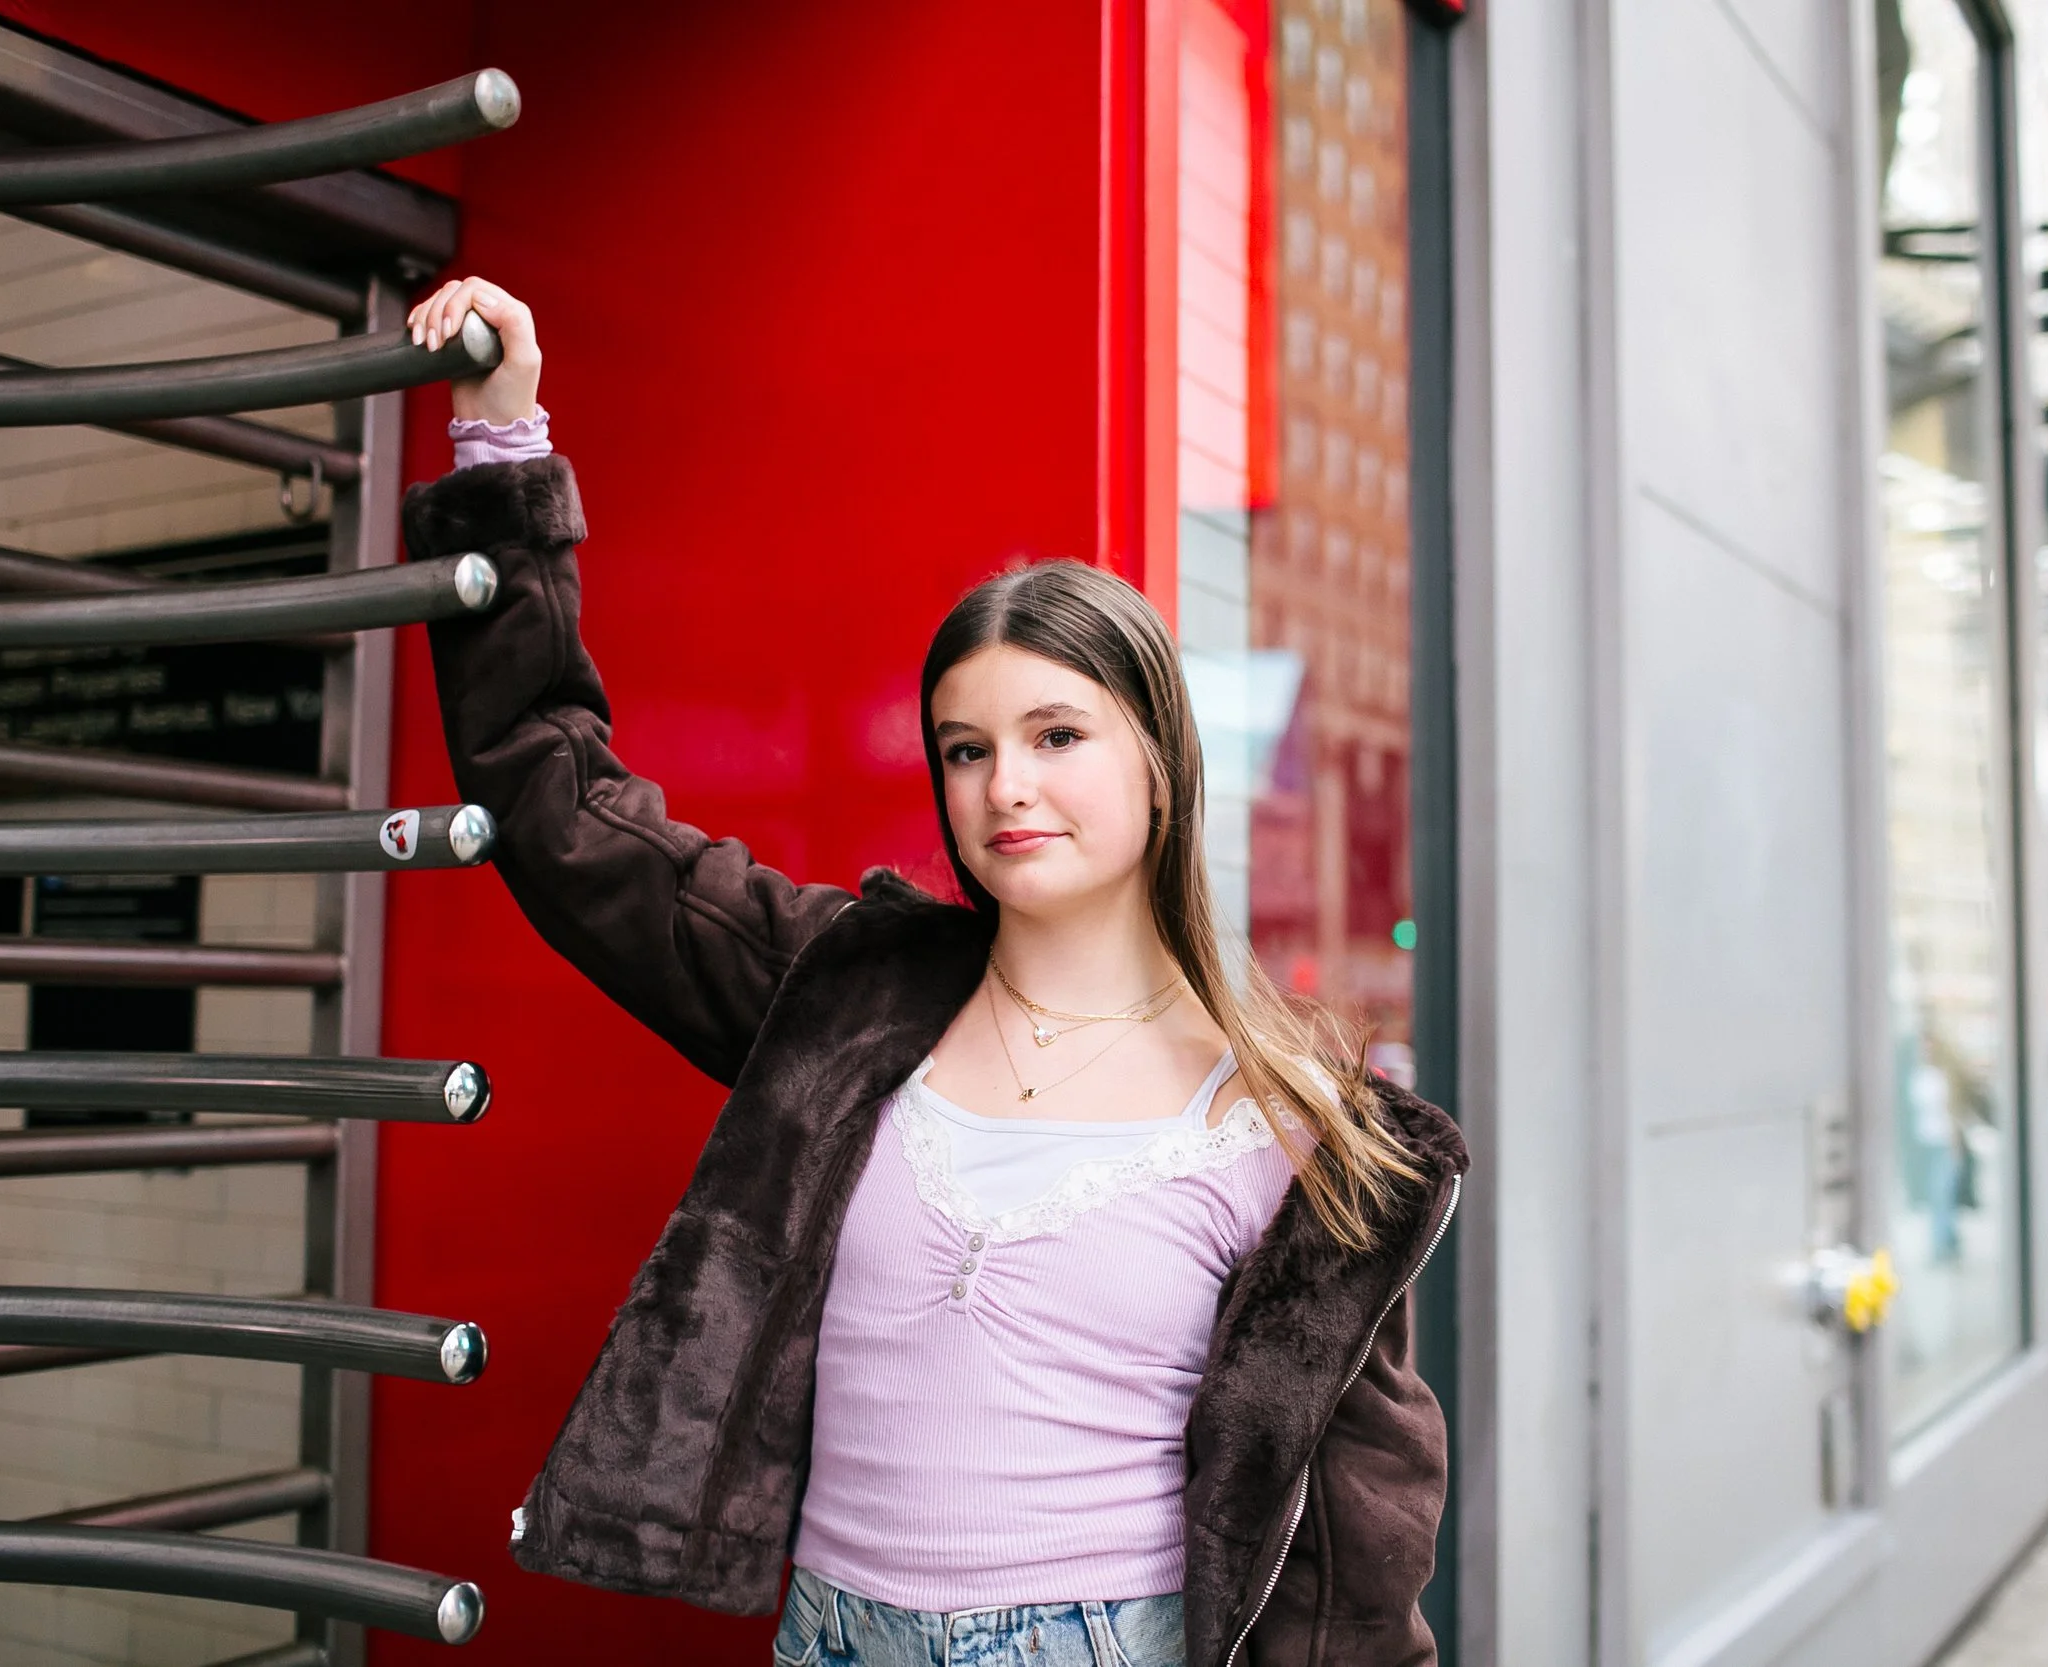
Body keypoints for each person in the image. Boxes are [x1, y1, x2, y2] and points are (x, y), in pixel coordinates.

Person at [403, 276, 1469, 1667]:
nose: (1006, 784)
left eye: (1057, 735)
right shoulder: (848, 992)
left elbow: (1355, 1566)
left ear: (1161, 757)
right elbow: (560, 814)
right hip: (827, 1637)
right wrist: (501, 442)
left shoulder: (1288, 1116)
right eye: (966, 748)